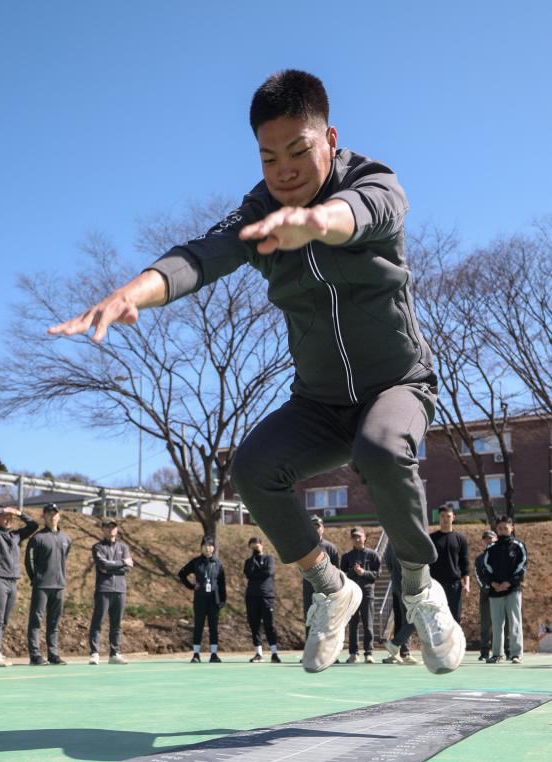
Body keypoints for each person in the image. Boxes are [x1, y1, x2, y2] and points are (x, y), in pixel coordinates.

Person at [48, 69, 465, 676]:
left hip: (396, 384)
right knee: (251, 468)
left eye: (300, 151)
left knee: (380, 449)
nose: (285, 170)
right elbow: (201, 255)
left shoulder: (372, 181)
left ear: (330, 137)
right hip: (320, 402)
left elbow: (364, 212)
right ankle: (330, 587)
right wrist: (133, 291)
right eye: (269, 158)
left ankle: (421, 588)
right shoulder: (259, 209)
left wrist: (317, 223)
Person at [0, 505, 38, 666]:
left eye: (10, 517)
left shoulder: (16, 535)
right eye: (4, 516)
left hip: (13, 581)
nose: (7, 519)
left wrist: (19, 513)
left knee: (4, 620)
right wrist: (2, 510)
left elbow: (34, 525)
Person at [25, 504, 71, 665]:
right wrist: (36, 578)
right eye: (49, 514)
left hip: (59, 586)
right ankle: (35, 655)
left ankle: (53, 654)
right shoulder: (37, 538)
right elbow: (29, 561)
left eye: (55, 514)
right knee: (36, 620)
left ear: (59, 516)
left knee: (54, 621)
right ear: (43, 516)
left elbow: (64, 558)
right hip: (42, 586)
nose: (53, 517)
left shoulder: (66, 538)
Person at [483, 516, 527, 664]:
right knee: (496, 623)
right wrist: (493, 583)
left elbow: (522, 567)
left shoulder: (519, 546)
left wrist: (509, 582)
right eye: (500, 528)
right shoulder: (491, 548)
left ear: (512, 528)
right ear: (497, 530)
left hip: (513, 590)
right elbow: (486, 568)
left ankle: (516, 654)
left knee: (515, 622)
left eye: (505, 528)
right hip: (495, 591)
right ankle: (497, 654)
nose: (503, 530)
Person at [89, 519, 133, 665]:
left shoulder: (124, 547)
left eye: (113, 527)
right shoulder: (97, 547)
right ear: (103, 529)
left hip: (120, 589)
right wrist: (122, 563)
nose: (111, 529)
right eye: (108, 527)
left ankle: (114, 654)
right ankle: (94, 653)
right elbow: (103, 565)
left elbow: (128, 568)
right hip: (104, 589)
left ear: (117, 529)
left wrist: (113, 566)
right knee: (98, 621)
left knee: (117, 623)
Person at [178, 537, 227, 662]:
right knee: (198, 626)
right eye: (205, 545)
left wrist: (223, 599)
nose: (207, 548)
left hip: (214, 599)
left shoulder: (218, 563)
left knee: (213, 627)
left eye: (210, 545)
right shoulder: (196, 562)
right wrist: (192, 586)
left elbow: (222, 583)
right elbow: (182, 574)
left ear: (213, 548)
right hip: (200, 598)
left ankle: (214, 654)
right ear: (201, 547)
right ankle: (196, 654)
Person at [340, 527, 381, 662]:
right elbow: (343, 574)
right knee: (353, 624)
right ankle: (353, 653)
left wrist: (364, 573)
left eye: (359, 536)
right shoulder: (346, 556)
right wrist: (353, 572)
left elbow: (377, 575)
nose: (357, 539)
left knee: (368, 624)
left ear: (365, 538)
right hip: (352, 595)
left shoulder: (373, 555)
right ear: (351, 539)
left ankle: (368, 653)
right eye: (354, 537)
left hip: (367, 593)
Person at [429, 505, 470, 624]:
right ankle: (439, 643)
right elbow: (426, 563)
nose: (445, 519)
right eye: (442, 516)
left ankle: (455, 643)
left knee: (454, 619)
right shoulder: (431, 538)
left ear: (453, 518)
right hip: (435, 585)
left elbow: (465, 563)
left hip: (454, 586)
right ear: (439, 518)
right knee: (437, 618)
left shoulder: (460, 539)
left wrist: (466, 584)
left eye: (448, 516)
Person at [243, 536, 281, 663]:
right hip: (252, 597)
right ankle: (258, 653)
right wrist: (253, 560)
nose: (255, 548)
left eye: (257, 545)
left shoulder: (269, 558)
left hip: (267, 596)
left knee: (269, 624)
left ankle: (274, 653)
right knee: (254, 625)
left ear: (262, 545)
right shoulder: (249, 561)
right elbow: (248, 573)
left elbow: (268, 572)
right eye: (252, 546)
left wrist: (255, 574)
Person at [382, 541, 420, 665]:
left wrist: (395, 576)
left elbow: (388, 562)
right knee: (412, 618)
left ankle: (401, 653)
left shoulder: (392, 541)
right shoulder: (409, 539)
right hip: (409, 586)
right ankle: (397, 648)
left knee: (402, 619)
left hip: (397, 585)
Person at [474, 529, 504, 661]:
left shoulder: (503, 555)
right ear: (483, 541)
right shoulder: (479, 558)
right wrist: (487, 586)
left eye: (491, 538)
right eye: (486, 538)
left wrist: (501, 586)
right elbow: (478, 575)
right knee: (486, 624)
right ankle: (484, 652)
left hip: (501, 593)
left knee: (503, 623)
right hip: (486, 594)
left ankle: (507, 650)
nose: (489, 540)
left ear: (496, 539)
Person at [302, 515, 339, 617]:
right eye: (312, 527)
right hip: (309, 590)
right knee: (310, 621)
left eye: (317, 527)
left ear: (323, 529)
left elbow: (337, 571)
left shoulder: (330, 548)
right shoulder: (303, 547)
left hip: (327, 592)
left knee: (327, 622)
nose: (315, 529)